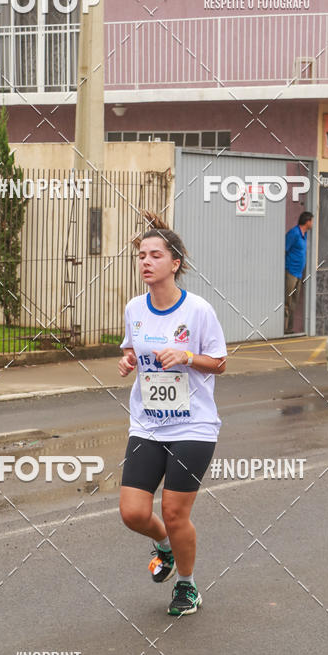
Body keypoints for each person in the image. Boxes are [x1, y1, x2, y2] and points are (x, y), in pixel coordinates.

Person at [118, 212, 227, 616]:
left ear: (174, 263)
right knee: (133, 512)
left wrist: (186, 356)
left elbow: (219, 363)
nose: (145, 262)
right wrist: (129, 361)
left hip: (193, 426)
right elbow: (132, 348)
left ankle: (186, 585)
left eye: (155, 255)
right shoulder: (135, 308)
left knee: (174, 512)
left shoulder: (198, 311)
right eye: (141, 255)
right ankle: (163, 544)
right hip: (147, 422)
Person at [284, 211, 313, 334]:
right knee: (287, 300)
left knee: (294, 302)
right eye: (312, 221)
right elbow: (284, 249)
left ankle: (289, 329)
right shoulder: (294, 233)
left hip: (299, 274)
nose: (312, 223)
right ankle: (283, 329)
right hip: (290, 272)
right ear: (307, 222)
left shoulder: (304, 234)